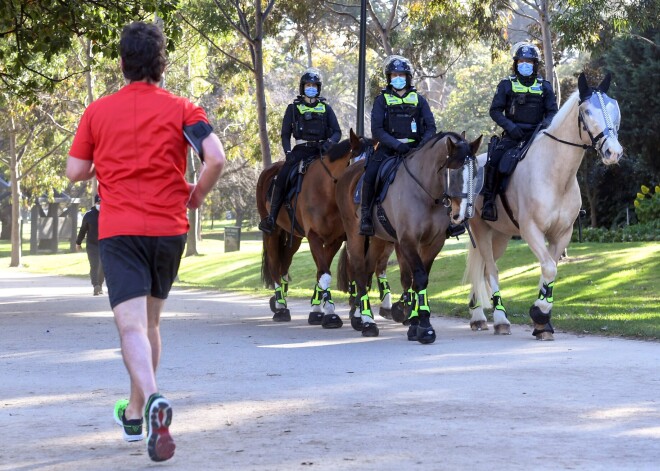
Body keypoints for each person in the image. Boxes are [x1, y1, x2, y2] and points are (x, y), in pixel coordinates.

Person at [66, 21, 225, 462]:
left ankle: (153, 399)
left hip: (119, 230)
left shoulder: (98, 112)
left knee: (131, 327)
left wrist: (106, 160)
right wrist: (196, 195)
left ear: (122, 64)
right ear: (161, 64)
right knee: (150, 325)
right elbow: (215, 158)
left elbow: (75, 171)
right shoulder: (183, 109)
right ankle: (135, 414)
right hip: (169, 230)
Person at [258, 67, 342, 234]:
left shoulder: (326, 108)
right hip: (300, 151)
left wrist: (330, 143)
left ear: (319, 88)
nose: (311, 88)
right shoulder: (293, 108)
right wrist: (288, 152)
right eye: (308, 85)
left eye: (314, 85)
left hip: (322, 152)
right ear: (302, 87)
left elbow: (337, 132)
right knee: (282, 177)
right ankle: (272, 217)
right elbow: (285, 134)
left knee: (340, 176)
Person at [360, 55, 436, 236]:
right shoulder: (382, 100)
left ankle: (447, 220)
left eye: (401, 74)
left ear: (408, 76)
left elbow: (431, 127)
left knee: (440, 173)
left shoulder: (419, 99)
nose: (398, 78)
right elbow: (377, 130)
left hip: (416, 150)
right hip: (388, 150)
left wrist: (421, 147)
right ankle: (366, 217)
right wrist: (396, 145)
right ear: (389, 78)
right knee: (370, 174)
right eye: (394, 75)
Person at [482, 42, 558, 221]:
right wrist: (510, 127)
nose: (525, 64)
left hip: (538, 136)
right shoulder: (506, 85)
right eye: (521, 61)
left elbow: (553, 112)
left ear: (535, 64)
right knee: (494, 160)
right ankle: (488, 203)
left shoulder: (545, 86)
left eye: (529, 61)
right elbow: (495, 111)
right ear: (516, 64)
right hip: (513, 135)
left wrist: (544, 126)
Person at [76, 194, 104, 295]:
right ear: (95, 203)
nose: (100, 204)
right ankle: (95, 285)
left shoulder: (108, 213)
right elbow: (82, 230)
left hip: (105, 245)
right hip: (92, 245)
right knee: (94, 265)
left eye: (102, 202)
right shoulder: (88, 215)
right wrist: (78, 242)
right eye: (99, 202)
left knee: (103, 267)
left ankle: (100, 285)